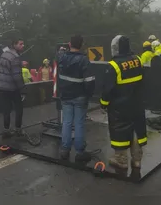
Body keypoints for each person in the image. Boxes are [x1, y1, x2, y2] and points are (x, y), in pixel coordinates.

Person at [100, 35, 146, 169]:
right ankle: (137, 159)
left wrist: (104, 103)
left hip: (119, 107)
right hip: (136, 105)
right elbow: (143, 82)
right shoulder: (138, 60)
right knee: (136, 130)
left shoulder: (113, 66)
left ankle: (121, 160)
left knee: (120, 131)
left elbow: (107, 89)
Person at [57, 34, 95, 162]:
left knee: (67, 122)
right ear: (82, 45)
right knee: (79, 123)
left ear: (69, 44)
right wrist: (89, 95)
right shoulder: (84, 60)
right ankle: (79, 152)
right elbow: (89, 81)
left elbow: (58, 62)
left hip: (65, 96)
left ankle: (64, 150)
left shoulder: (62, 58)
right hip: (80, 96)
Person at [0, 38, 26, 138]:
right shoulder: (15, 57)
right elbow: (17, 76)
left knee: (6, 109)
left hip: (1, 86)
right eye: (21, 44)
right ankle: (18, 129)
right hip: (12, 88)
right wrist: (23, 89)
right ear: (14, 45)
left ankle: (6, 130)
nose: (23, 46)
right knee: (19, 108)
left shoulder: (4, 54)